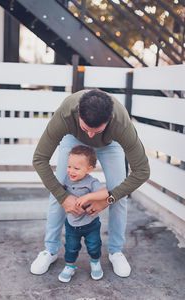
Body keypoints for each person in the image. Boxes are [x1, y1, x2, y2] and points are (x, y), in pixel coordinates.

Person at [30, 89, 150, 277]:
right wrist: (63, 197)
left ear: (109, 119)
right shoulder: (65, 115)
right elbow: (39, 159)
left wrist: (108, 199)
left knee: (120, 196)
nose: (91, 136)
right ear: (78, 113)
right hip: (74, 139)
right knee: (57, 191)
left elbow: (143, 170)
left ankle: (115, 251)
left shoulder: (121, 123)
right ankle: (50, 250)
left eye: (97, 130)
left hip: (111, 143)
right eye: (87, 129)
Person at [58, 145, 108, 282]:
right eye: (69, 166)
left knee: (94, 245)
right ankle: (69, 266)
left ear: (89, 169)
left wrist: (87, 197)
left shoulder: (91, 182)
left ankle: (95, 263)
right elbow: (58, 190)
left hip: (90, 224)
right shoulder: (66, 180)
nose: (71, 171)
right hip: (72, 224)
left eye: (76, 168)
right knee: (71, 247)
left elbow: (105, 193)